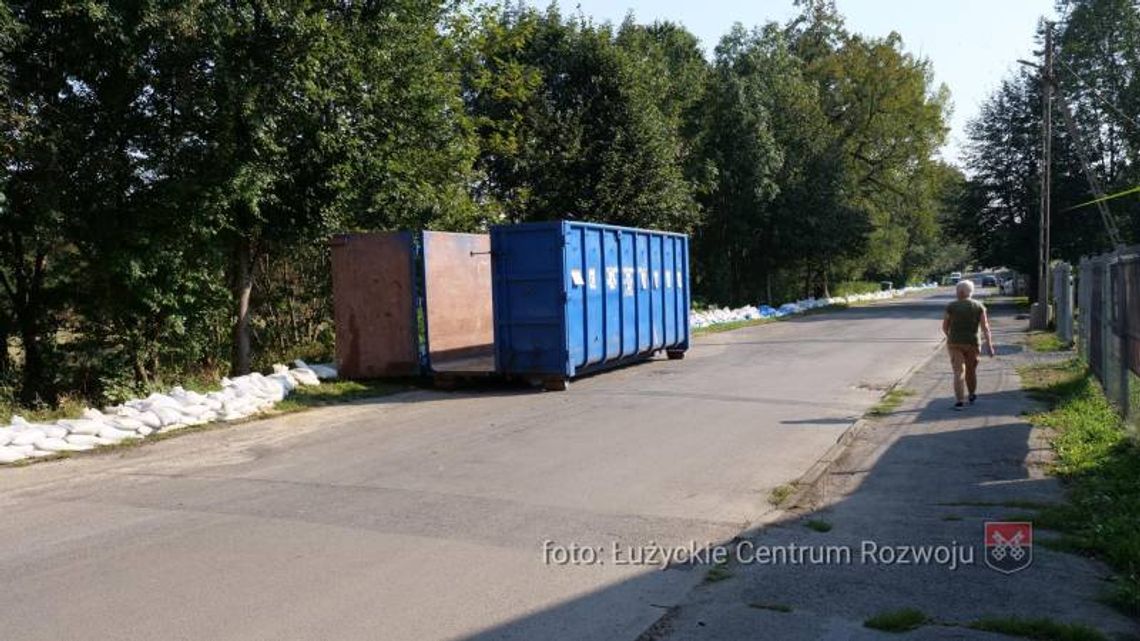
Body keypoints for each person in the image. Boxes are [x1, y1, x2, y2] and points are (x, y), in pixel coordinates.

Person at [942, 280, 995, 410]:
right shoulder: (979, 306)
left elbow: (944, 327)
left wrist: (950, 336)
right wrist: (989, 345)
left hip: (955, 343)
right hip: (973, 343)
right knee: (971, 371)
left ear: (960, 292)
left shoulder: (951, 306)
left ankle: (959, 401)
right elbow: (985, 327)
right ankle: (971, 394)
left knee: (958, 372)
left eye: (956, 291)